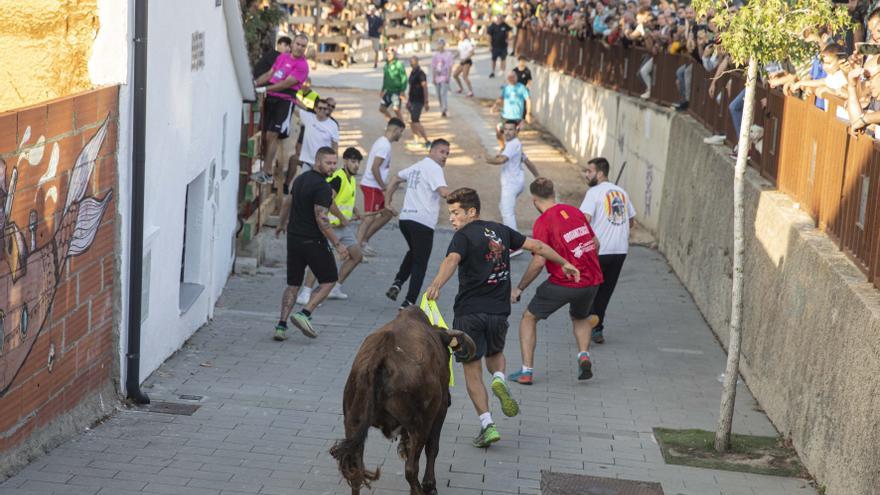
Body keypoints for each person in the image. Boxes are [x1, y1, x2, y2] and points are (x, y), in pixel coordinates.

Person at [425, 187, 580, 448]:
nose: (451, 218)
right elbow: (538, 246)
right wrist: (564, 262)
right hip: (499, 312)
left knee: (472, 371)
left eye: (455, 213)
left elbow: (452, 259)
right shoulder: (501, 230)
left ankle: (488, 425)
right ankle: (499, 379)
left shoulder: (463, 236)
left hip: (469, 313)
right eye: (449, 213)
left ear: (471, 212)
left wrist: (437, 283)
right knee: (495, 354)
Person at [509, 178, 604, 385]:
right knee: (580, 317)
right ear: (553, 194)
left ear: (534, 200)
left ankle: (526, 371)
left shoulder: (543, 222)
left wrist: (519, 288)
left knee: (529, 318)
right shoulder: (575, 211)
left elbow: (538, 261)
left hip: (565, 283)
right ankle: (583, 355)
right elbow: (595, 243)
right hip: (592, 281)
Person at [274, 147, 350, 340]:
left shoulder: (299, 180)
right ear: (318, 162)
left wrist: (281, 224)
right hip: (313, 241)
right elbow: (322, 219)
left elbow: (287, 203)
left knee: (293, 284)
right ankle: (304, 313)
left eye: (335, 163)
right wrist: (338, 244)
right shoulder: (323, 187)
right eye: (328, 163)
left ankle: (281, 326)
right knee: (330, 280)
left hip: (294, 238)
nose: (332, 167)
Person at [384, 140, 452, 309]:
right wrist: (464, 197)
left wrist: (387, 202)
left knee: (414, 252)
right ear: (432, 151)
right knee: (420, 263)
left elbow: (395, 178)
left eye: (447, 154)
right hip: (423, 223)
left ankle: (398, 282)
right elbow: (444, 192)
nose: (444, 157)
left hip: (406, 220)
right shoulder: (434, 168)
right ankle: (409, 302)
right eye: (442, 152)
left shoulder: (417, 166)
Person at [297, 147, 366, 304]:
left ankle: (335, 288)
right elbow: (329, 199)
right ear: (346, 161)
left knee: (357, 255)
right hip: (330, 227)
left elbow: (346, 199)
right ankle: (305, 293)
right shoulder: (338, 178)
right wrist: (342, 218)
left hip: (343, 228)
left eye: (358, 162)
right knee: (318, 260)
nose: (356, 165)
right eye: (353, 162)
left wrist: (355, 211)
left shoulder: (352, 179)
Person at [579, 158, 636, 344]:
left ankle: (587, 326)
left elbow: (584, 220)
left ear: (600, 173)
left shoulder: (593, 192)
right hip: (620, 251)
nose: (587, 174)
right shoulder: (622, 192)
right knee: (605, 291)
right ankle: (597, 328)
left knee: (588, 289)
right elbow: (631, 221)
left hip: (599, 250)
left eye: (589, 171)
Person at [252, 34, 310, 184]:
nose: (300, 48)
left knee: (272, 135)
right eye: (298, 44)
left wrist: (265, 88)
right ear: (292, 44)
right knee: (265, 134)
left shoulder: (303, 65)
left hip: (284, 101)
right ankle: (263, 168)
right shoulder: (282, 57)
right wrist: (254, 84)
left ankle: (267, 172)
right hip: (270, 98)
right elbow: (270, 73)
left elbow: (286, 84)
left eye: (303, 46)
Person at [358, 118, 406, 256]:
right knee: (369, 218)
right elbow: (375, 168)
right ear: (395, 130)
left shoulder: (383, 143)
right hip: (372, 186)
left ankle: (364, 241)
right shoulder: (384, 145)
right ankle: (357, 248)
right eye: (401, 132)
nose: (401, 135)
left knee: (387, 213)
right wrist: (383, 187)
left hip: (374, 186)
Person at [487, 120, 539, 246]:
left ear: (516, 131)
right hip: (517, 183)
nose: (508, 132)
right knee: (503, 207)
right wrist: (538, 176)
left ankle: (515, 245)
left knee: (507, 212)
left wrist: (486, 159)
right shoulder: (515, 144)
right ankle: (508, 238)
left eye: (511, 129)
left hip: (511, 184)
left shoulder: (512, 145)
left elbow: (501, 160)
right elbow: (527, 161)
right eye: (506, 129)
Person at [295, 97, 340, 173]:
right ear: (315, 109)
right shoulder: (308, 117)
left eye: (325, 109)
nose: (322, 110)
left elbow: (335, 147)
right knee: (305, 184)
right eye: (320, 108)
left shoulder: (333, 125)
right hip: (307, 162)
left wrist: (334, 164)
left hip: (323, 165)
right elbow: (293, 107)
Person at [491, 71, 531, 148]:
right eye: (509, 77)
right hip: (505, 116)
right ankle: (502, 148)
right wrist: (495, 106)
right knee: (498, 132)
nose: (511, 79)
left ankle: (511, 154)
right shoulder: (506, 88)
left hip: (516, 118)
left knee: (512, 137)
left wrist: (528, 114)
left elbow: (528, 100)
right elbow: (501, 98)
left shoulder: (522, 87)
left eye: (513, 77)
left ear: (516, 77)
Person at [406, 56, 431, 150]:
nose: (411, 64)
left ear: (417, 62)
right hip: (412, 100)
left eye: (413, 62)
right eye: (410, 62)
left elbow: (425, 87)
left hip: (418, 100)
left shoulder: (421, 74)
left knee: (415, 120)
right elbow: (411, 87)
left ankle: (426, 140)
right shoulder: (412, 73)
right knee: (412, 121)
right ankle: (416, 139)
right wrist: (408, 100)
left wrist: (426, 101)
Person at [380, 48, 408, 121]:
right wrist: (383, 89)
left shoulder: (398, 65)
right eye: (387, 54)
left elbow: (404, 78)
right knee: (382, 108)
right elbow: (385, 78)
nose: (388, 55)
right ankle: (391, 122)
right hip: (388, 91)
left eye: (390, 54)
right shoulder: (386, 65)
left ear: (394, 54)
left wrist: (402, 91)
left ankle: (401, 124)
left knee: (396, 109)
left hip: (396, 91)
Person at [431, 39, 455, 118]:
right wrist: (433, 77)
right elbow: (433, 67)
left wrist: (448, 76)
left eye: (441, 44)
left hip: (445, 76)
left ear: (443, 45)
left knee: (443, 93)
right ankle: (442, 108)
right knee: (438, 94)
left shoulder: (448, 55)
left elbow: (450, 66)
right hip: (437, 77)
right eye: (438, 44)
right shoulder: (435, 55)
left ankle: (444, 108)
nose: (439, 46)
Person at [454, 30, 475, 97]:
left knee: (465, 76)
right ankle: (461, 88)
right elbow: (458, 52)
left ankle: (470, 91)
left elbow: (472, 52)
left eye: (463, 34)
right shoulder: (460, 42)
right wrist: (452, 57)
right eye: (460, 34)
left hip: (467, 61)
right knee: (455, 75)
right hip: (462, 62)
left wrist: (466, 58)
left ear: (465, 35)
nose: (461, 36)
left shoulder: (467, 42)